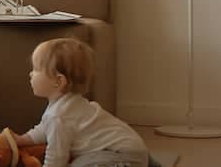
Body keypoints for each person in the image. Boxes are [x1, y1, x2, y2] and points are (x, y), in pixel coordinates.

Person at [14, 38, 149, 167]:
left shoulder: (59, 116)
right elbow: (45, 129)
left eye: (36, 69)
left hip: (119, 155)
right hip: (133, 150)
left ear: (59, 81)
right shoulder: (68, 105)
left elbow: (56, 157)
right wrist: (24, 139)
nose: (31, 74)